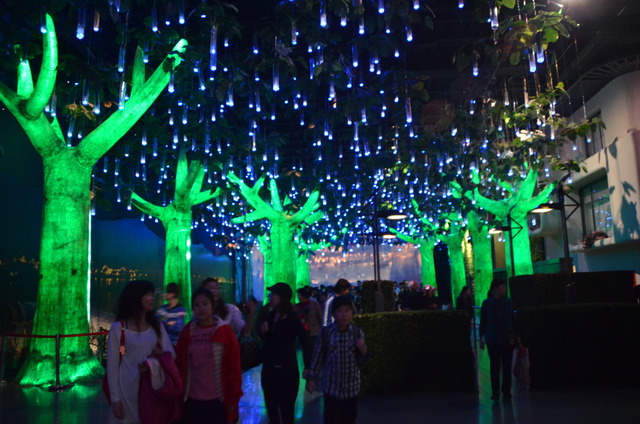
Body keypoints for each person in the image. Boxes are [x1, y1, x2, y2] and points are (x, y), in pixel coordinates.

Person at [107, 280, 174, 424]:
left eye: (152, 294)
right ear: (136, 298)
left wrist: (153, 362)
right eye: (148, 295)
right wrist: (115, 399)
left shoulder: (156, 326)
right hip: (125, 391)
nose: (152, 298)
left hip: (150, 390)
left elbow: (170, 355)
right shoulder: (118, 329)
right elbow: (112, 365)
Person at [175, 288, 243, 424]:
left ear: (213, 306)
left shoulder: (224, 331)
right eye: (197, 305)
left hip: (217, 400)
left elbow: (234, 367)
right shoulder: (188, 332)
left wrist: (233, 398)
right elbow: (179, 363)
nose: (201, 308)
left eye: (205, 304)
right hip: (191, 399)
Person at [305, 296, 368, 424]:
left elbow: (363, 360)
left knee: (349, 419)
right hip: (331, 388)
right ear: (333, 314)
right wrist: (311, 378)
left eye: (347, 311)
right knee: (331, 419)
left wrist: (363, 349)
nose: (344, 315)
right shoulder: (326, 333)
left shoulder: (357, 332)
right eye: (340, 311)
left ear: (352, 312)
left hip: (351, 388)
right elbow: (317, 357)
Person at [260, 283, 312, 424]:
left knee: (286, 409)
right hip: (269, 368)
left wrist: (308, 369)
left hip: (286, 370)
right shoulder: (270, 315)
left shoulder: (292, 317)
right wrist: (264, 332)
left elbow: (305, 342)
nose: (270, 296)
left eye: (273, 294)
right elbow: (269, 341)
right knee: (271, 409)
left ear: (282, 297)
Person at [480, 279, 516, 402]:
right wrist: (481, 337)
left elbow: (512, 320)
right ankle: (497, 392)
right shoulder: (487, 303)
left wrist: (516, 336)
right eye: (502, 287)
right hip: (494, 339)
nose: (504, 289)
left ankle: (505, 391)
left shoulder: (507, 302)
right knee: (495, 367)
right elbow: (484, 321)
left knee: (505, 366)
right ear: (495, 288)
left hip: (504, 338)